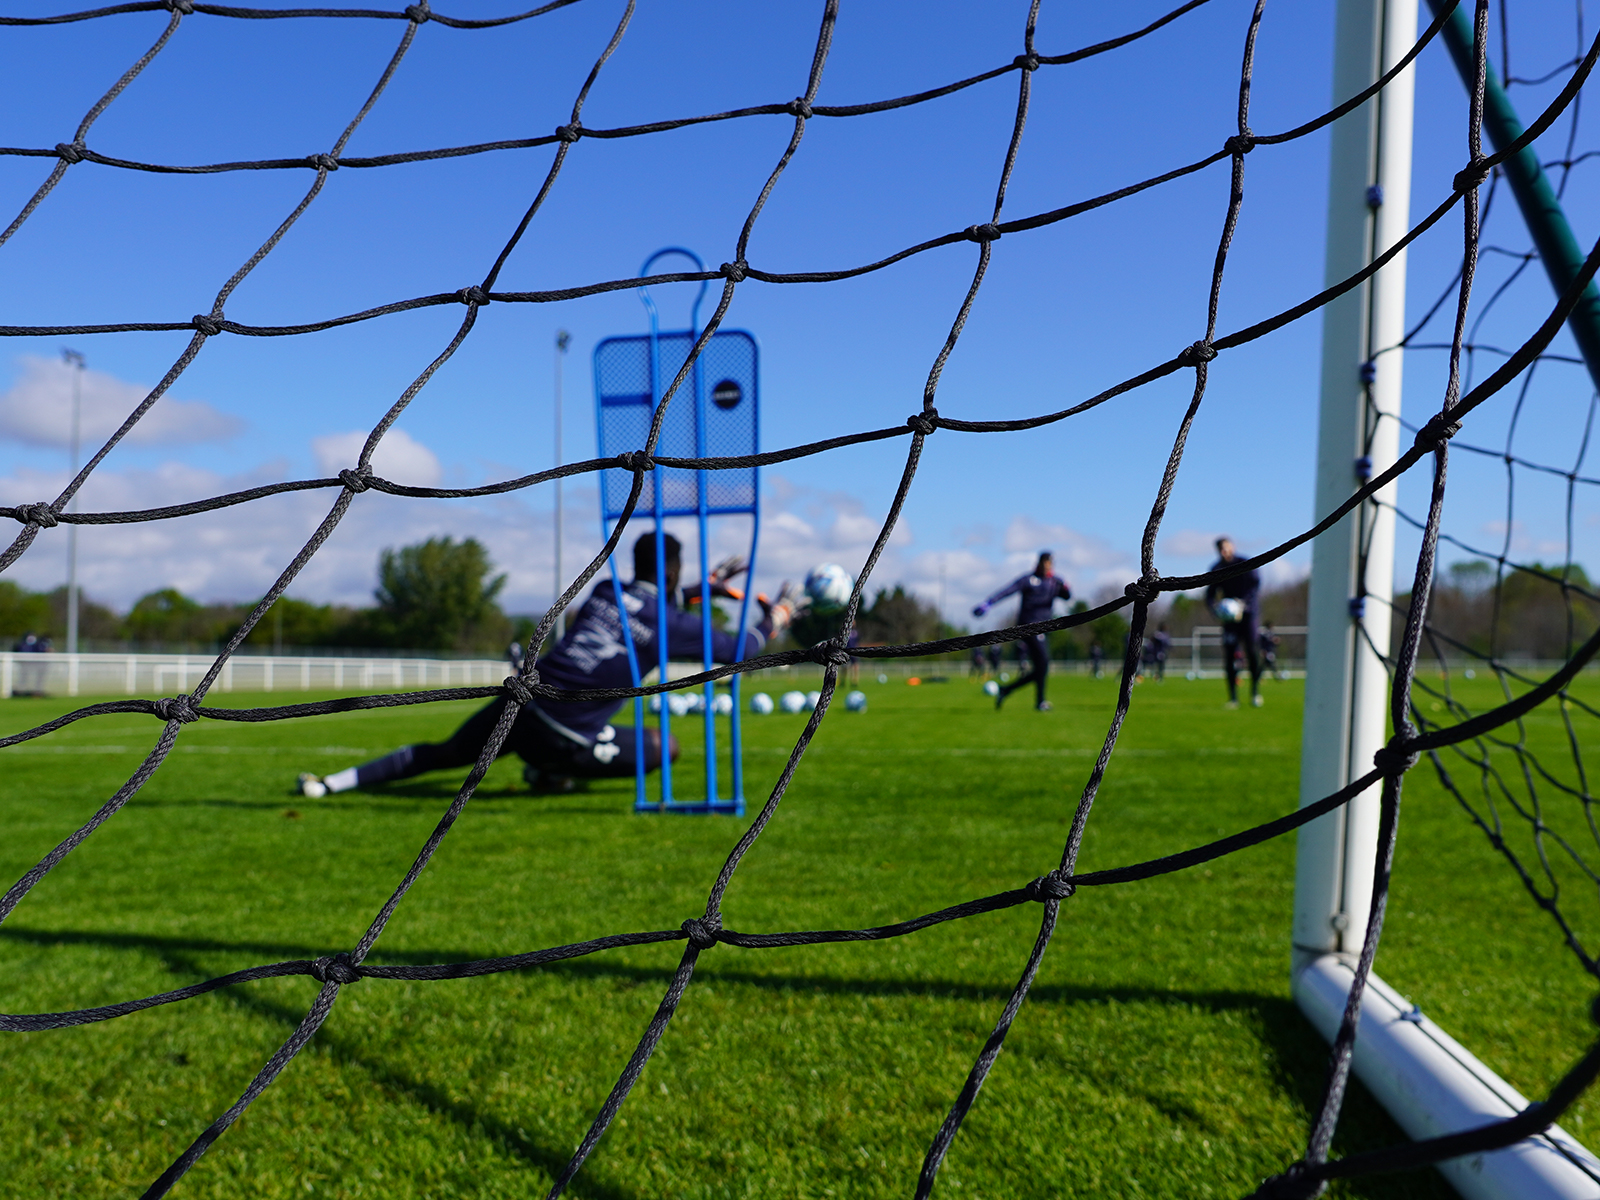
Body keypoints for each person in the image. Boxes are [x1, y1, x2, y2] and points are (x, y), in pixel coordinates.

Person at [298, 532, 793, 796]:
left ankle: (332, 785)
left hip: (521, 707)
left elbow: (651, 603)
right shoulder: (674, 623)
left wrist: (704, 585)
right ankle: (548, 772)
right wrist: (778, 616)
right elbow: (743, 647)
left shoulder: (606, 591)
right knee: (665, 746)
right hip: (563, 737)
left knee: (442, 753)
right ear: (676, 571)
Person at [972, 551, 1071, 711]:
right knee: (1043, 663)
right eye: (1045, 563)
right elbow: (1007, 590)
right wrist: (988, 603)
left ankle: (1007, 690)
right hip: (1028, 627)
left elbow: (1066, 596)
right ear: (1039, 563)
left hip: (1045, 628)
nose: (1047, 567)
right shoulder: (1028, 580)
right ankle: (1039, 702)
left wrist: (1066, 586)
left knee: (1042, 667)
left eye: (1050, 564)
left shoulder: (1054, 582)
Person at [1206, 536, 1263, 708]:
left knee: (1252, 652)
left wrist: (1243, 604)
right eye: (1221, 549)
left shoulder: (1245, 563)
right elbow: (1209, 594)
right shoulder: (1216, 569)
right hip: (1229, 618)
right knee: (1229, 654)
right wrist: (1215, 610)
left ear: (1232, 547)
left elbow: (1255, 586)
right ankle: (1233, 698)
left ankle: (1255, 692)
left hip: (1248, 615)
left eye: (1226, 548)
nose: (1224, 552)